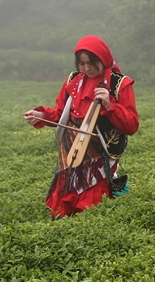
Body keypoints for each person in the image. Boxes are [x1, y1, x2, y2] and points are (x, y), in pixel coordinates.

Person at [24, 36, 138, 217]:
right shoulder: (74, 79)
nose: (86, 69)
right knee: (64, 197)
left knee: (91, 203)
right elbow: (60, 112)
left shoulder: (120, 84)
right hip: (71, 146)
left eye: (92, 64)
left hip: (98, 149)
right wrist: (42, 116)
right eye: (82, 64)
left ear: (103, 60)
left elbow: (131, 125)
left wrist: (110, 105)